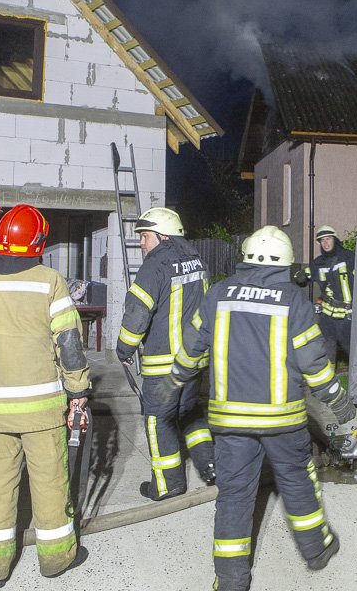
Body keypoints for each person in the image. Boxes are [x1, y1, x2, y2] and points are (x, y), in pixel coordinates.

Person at [169, 225, 355, 591]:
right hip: (282, 422)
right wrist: (339, 402)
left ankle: (230, 580)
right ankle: (317, 550)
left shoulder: (219, 294)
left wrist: (176, 378)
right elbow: (315, 365)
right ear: (285, 264)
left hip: (229, 423)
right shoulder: (294, 304)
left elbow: (191, 348)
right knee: (298, 483)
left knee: (234, 497)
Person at [0, 204, 90, 588]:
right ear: (39, 242)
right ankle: (56, 558)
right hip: (42, 409)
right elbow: (69, 342)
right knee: (49, 480)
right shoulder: (49, 281)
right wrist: (77, 389)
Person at [115, 206, 215, 500]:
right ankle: (211, 465)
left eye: (145, 236)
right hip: (194, 361)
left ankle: (168, 484)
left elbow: (136, 314)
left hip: (164, 364)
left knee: (159, 420)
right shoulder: (197, 260)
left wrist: (124, 348)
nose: (142, 243)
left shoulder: (155, 265)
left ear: (162, 235)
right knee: (190, 414)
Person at [309, 224, 355, 364]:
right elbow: (306, 275)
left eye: (328, 239)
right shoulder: (318, 263)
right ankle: (328, 382)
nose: (325, 243)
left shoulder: (350, 258)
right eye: (322, 240)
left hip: (347, 315)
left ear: (335, 239)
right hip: (328, 315)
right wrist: (300, 277)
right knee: (327, 350)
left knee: (352, 351)